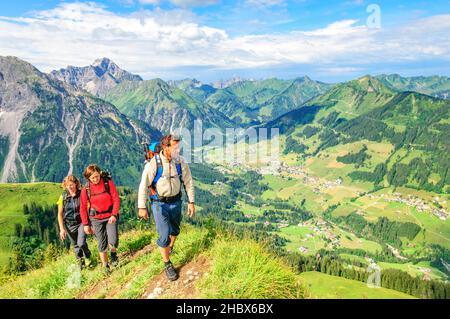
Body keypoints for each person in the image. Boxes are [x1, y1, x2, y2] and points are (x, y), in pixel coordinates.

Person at [138, 134, 195, 281]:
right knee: (163, 235)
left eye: (178, 146)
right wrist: (142, 206)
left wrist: (191, 202)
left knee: (175, 230)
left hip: (176, 201)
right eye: (175, 147)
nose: (178, 149)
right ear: (166, 147)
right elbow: (143, 185)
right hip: (159, 203)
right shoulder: (154, 164)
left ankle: (170, 247)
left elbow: (188, 182)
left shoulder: (180, 162)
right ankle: (167, 264)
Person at [80, 164, 120, 274]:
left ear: (100, 174)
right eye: (92, 178)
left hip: (110, 215)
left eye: (97, 176)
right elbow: (83, 208)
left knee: (113, 239)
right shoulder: (86, 189)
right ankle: (105, 266)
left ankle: (113, 255)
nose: (95, 179)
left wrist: (114, 214)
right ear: (88, 178)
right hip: (96, 219)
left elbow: (116, 199)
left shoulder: (107, 183)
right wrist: (86, 224)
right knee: (102, 242)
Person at [57, 175, 92, 270]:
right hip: (69, 225)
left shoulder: (82, 194)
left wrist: (89, 223)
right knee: (76, 246)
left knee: (80, 243)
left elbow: (88, 207)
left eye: (71, 185)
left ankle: (88, 254)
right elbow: (60, 214)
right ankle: (82, 266)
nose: (70, 187)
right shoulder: (63, 197)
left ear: (76, 184)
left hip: (81, 222)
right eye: (67, 185)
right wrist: (61, 229)